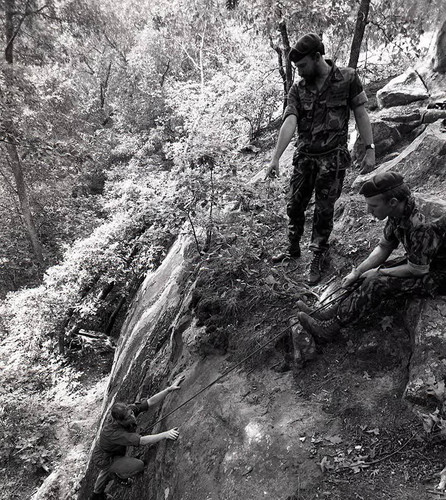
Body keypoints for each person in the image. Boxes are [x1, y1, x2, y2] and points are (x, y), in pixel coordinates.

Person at [265, 32, 376, 285]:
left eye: (302, 66)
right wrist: (275, 158)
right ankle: (292, 247)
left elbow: (361, 114)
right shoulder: (297, 88)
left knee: (324, 211)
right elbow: (290, 120)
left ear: (317, 57)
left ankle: (318, 254)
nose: (299, 72)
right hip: (304, 158)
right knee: (294, 205)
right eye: (296, 67)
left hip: (333, 159)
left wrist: (370, 148)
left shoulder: (347, 78)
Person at [297, 172, 446, 343]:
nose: (369, 211)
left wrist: (379, 271)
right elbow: (384, 246)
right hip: (425, 259)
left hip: (439, 273)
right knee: (364, 275)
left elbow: (418, 269)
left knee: (376, 281)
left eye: (373, 206)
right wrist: (358, 271)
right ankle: (330, 313)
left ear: (392, 202)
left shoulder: (422, 225)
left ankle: (330, 328)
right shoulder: (400, 210)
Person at [90, 375, 184, 500]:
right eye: (129, 417)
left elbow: (150, 402)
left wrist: (168, 389)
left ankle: (97, 494)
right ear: (120, 421)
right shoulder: (114, 432)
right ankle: (118, 476)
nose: (133, 417)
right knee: (138, 465)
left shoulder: (126, 411)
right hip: (105, 458)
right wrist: (165, 434)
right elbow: (142, 440)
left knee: (107, 469)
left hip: (111, 450)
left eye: (132, 413)